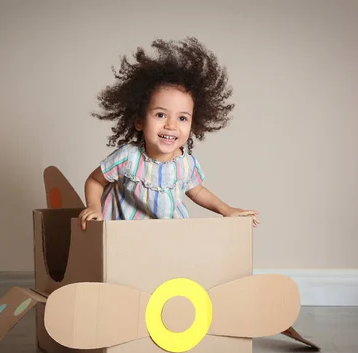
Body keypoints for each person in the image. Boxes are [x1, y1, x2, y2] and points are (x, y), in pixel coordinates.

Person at [78, 37, 260, 230]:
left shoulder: (186, 164)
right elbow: (95, 180)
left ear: (193, 123)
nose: (171, 125)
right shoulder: (128, 158)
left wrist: (226, 209)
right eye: (161, 114)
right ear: (140, 120)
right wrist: (94, 207)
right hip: (126, 235)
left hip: (167, 235)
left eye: (182, 118)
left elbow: (196, 191)